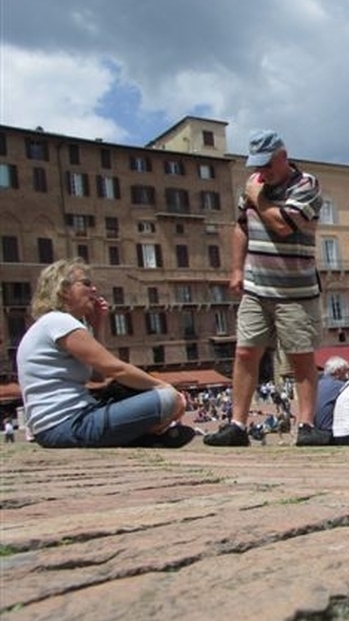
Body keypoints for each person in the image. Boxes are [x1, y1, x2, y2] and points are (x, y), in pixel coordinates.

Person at [204, 130, 324, 447]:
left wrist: (258, 197)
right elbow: (241, 227)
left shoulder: (306, 185)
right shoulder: (255, 183)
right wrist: (235, 269)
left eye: (268, 165)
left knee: (300, 357)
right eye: (258, 165)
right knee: (245, 352)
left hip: (295, 292)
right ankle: (237, 425)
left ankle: (307, 425)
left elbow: (283, 224)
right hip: (257, 288)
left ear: (283, 157)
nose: (262, 172)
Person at [15, 259, 191, 448]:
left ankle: (144, 437)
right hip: (70, 424)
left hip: (55, 428)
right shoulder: (59, 322)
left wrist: (98, 326)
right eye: (86, 283)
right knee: (167, 399)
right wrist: (167, 388)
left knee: (142, 394)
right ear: (64, 290)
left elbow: (98, 376)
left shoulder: (49, 324)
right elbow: (115, 369)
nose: (94, 289)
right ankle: (148, 435)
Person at [313, 356, 349, 444]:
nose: (347, 374)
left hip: (316, 431)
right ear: (338, 371)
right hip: (331, 433)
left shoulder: (317, 385)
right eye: (346, 371)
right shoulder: (341, 386)